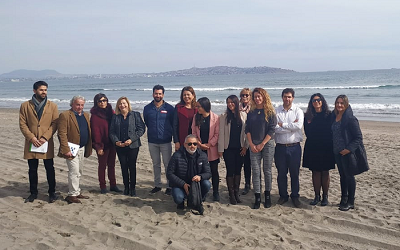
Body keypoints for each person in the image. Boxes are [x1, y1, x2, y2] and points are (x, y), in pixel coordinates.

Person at [19, 81, 59, 203]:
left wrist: (45, 137)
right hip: (32, 141)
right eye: (41, 90)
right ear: (34, 91)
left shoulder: (52, 106)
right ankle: (33, 193)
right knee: (32, 169)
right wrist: (32, 138)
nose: (44, 92)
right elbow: (22, 124)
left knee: (49, 168)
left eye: (45, 90)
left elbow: (55, 123)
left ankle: (52, 192)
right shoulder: (25, 105)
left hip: (46, 142)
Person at [331, 95, 368, 211]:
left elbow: (358, 137)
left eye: (342, 103)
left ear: (346, 104)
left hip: (347, 153)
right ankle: (343, 198)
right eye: (337, 102)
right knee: (342, 176)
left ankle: (351, 201)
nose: (339, 105)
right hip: (337, 152)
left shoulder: (350, 119)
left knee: (349, 176)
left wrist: (348, 149)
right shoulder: (334, 116)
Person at [246, 88, 277, 209]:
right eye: (255, 97)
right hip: (253, 143)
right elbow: (247, 129)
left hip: (267, 143)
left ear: (264, 97)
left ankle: (267, 195)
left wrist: (262, 144)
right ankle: (257, 196)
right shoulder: (251, 112)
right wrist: (251, 144)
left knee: (267, 170)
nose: (257, 99)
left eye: (259, 96)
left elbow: (272, 129)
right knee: (255, 170)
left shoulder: (270, 112)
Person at [58, 96, 92, 204]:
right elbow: (61, 133)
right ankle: (71, 195)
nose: (80, 107)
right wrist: (65, 149)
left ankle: (77, 192)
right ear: (72, 104)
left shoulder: (86, 115)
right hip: (71, 148)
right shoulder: (65, 115)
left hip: (82, 147)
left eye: (82, 105)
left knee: (79, 171)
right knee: (74, 171)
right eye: (78, 104)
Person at [303, 93, 335, 206]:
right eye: (313, 100)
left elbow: (333, 131)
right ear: (311, 103)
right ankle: (317, 196)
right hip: (313, 146)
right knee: (315, 172)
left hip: (326, 146)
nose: (316, 102)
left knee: (325, 172)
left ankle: (325, 196)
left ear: (322, 101)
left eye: (318, 100)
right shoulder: (307, 116)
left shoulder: (330, 115)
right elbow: (307, 132)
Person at [166, 134, 211, 214]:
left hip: (196, 184)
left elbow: (208, 173)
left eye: (195, 144)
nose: (192, 146)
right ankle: (181, 202)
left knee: (207, 184)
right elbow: (169, 174)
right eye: (189, 144)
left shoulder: (202, 155)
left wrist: (200, 177)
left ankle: (198, 200)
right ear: (185, 144)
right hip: (180, 184)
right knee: (178, 198)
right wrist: (183, 184)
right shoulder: (176, 156)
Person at [109, 96, 145, 196]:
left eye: (124, 103)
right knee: (123, 166)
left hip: (133, 146)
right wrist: (116, 142)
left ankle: (133, 188)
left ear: (128, 104)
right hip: (120, 146)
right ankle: (126, 187)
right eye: (120, 103)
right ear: (118, 106)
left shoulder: (135, 115)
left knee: (132, 166)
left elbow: (141, 129)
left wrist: (132, 139)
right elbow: (111, 132)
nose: (122, 105)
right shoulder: (115, 117)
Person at [274, 88, 304, 208]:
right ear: (282, 97)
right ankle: (283, 195)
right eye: (285, 96)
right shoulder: (276, 111)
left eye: (289, 97)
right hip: (280, 147)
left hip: (294, 147)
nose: (287, 99)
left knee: (294, 173)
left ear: (293, 98)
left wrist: (283, 125)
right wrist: (289, 127)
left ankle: (295, 196)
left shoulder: (298, 111)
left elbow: (298, 126)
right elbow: (275, 128)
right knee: (281, 173)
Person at [143, 85, 174, 195]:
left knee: (167, 164)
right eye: (156, 93)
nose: (158, 95)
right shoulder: (147, 108)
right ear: (153, 94)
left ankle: (169, 186)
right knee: (156, 164)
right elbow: (147, 122)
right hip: (152, 141)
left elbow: (173, 124)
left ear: (163, 95)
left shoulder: (170, 109)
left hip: (166, 141)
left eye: (160, 93)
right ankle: (157, 185)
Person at [218, 95, 248, 205]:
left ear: (236, 103)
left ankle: (236, 193)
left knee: (238, 171)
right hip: (228, 149)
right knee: (230, 171)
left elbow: (247, 132)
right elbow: (221, 133)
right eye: (228, 102)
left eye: (232, 102)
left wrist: (246, 146)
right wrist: (220, 149)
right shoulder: (224, 116)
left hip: (240, 148)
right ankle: (231, 194)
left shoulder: (244, 115)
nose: (230, 104)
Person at [90, 93, 122, 194]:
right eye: (100, 101)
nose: (102, 103)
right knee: (102, 165)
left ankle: (113, 185)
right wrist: (98, 146)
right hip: (102, 144)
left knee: (112, 165)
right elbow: (95, 132)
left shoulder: (111, 112)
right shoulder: (95, 116)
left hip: (112, 143)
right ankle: (103, 186)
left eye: (104, 100)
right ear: (96, 103)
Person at [191, 97, 220, 201]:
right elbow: (193, 132)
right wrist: (199, 143)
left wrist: (209, 144)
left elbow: (217, 134)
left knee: (214, 171)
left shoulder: (216, 118)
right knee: (200, 171)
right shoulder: (196, 117)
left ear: (205, 106)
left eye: (199, 106)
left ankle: (216, 192)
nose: (197, 108)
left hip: (211, 149)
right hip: (199, 148)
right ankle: (202, 192)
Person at [173, 86, 197, 151]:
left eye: (188, 94)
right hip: (182, 139)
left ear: (193, 95)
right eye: (184, 95)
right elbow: (175, 126)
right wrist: (176, 141)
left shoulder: (197, 107)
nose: (186, 97)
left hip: (195, 140)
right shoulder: (178, 107)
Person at [239, 88, 252, 195]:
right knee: (241, 164)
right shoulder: (236, 108)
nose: (244, 97)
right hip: (238, 140)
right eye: (243, 95)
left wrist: (246, 145)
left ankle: (248, 184)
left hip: (250, 141)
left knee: (249, 164)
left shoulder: (253, 109)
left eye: (247, 95)